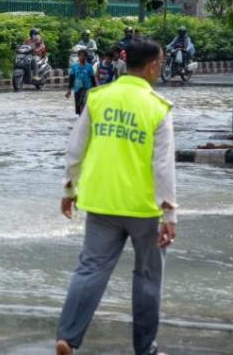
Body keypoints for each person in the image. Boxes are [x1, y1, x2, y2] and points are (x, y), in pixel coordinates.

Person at [57, 38, 177, 355]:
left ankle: (67, 338)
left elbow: (75, 148)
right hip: (144, 208)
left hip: (101, 203)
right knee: (148, 278)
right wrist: (169, 214)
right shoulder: (158, 107)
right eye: (161, 63)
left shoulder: (99, 98)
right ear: (151, 66)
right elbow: (163, 167)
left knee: (90, 269)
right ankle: (145, 349)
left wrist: (69, 189)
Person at [66, 49, 96, 115]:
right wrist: (69, 90)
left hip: (87, 89)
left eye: (84, 56)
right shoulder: (74, 66)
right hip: (77, 89)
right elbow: (71, 78)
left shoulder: (89, 66)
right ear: (78, 56)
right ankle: (81, 118)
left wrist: (95, 90)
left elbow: (93, 78)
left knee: (85, 105)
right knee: (78, 107)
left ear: (86, 57)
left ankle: (84, 118)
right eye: (80, 55)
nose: (82, 57)